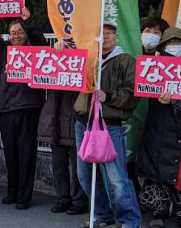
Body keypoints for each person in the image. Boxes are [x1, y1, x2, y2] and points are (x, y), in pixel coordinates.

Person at [70, 22, 142, 228]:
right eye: (102, 33)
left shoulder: (126, 60)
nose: (106, 37)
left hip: (109, 125)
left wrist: (108, 96)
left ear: (117, 37)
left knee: (117, 178)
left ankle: (130, 220)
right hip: (83, 123)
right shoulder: (89, 58)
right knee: (85, 175)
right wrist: (60, 46)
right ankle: (102, 214)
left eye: (110, 33)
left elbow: (133, 93)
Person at [0, 7, 46, 209]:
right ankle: (12, 191)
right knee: (11, 153)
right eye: (13, 33)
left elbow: (39, 39)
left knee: (27, 153)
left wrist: (28, 21)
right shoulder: (3, 50)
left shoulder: (36, 50)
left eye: (20, 32)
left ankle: (24, 196)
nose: (16, 36)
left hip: (28, 107)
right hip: (5, 108)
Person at [136, 27, 181, 228]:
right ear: (163, 46)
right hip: (159, 126)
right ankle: (158, 212)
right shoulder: (153, 67)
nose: (174, 47)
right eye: (170, 43)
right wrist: (157, 99)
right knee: (158, 170)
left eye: (178, 43)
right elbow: (144, 92)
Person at [40, 87, 89, 216]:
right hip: (56, 121)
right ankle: (63, 198)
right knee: (58, 165)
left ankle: (79, 201)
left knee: (79, 167)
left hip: (77, 119)